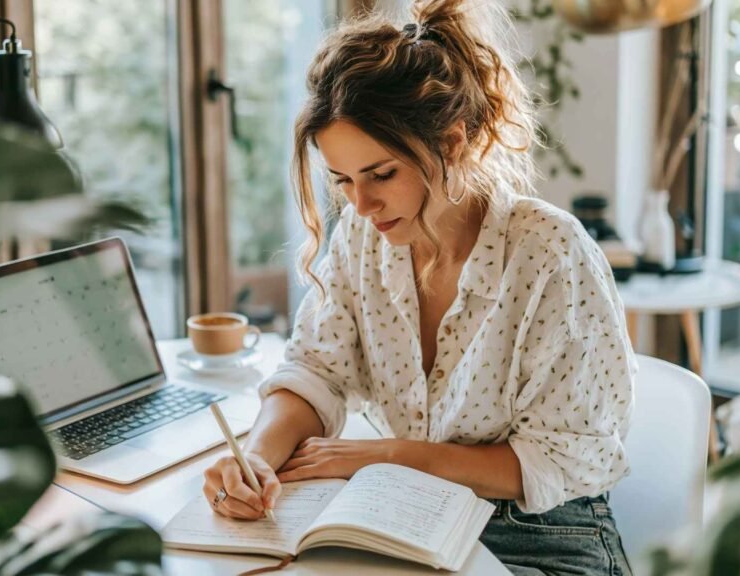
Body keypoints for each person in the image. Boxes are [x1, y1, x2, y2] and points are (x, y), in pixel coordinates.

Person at [203, 1, 636, 573]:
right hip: (411, 516)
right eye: (343, 180)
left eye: (382, 174)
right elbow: (316, 370)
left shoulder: (549, 252)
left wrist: (386, 455)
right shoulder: (364, 235)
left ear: (452, 144)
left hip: (546, 538)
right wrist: (255, 458)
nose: (361, 204)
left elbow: (560, 459)